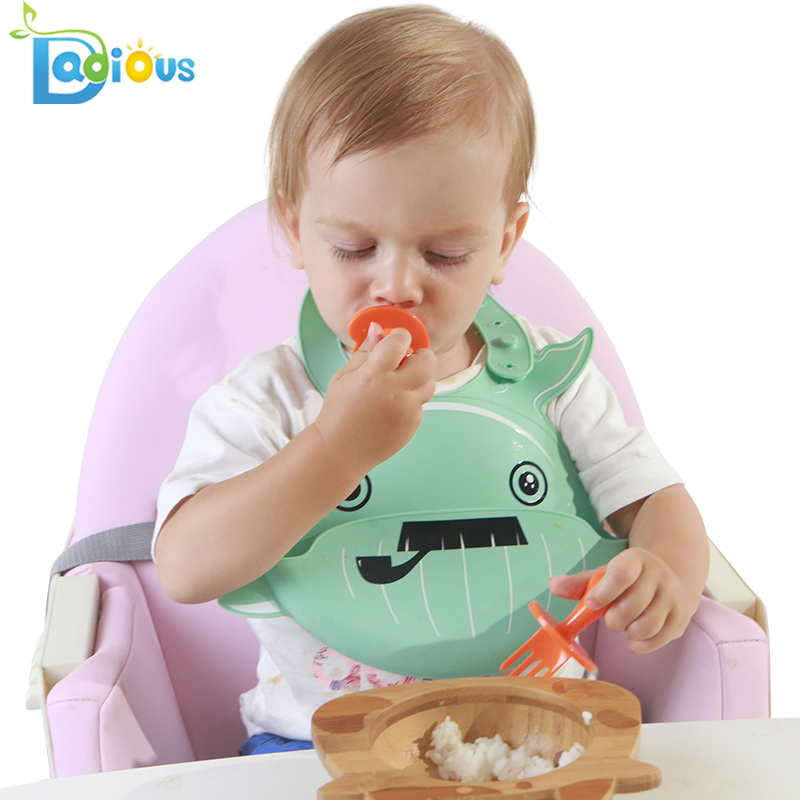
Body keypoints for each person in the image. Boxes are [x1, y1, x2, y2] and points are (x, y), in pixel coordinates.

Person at [153, 5, 709, 753]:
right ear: (294, 228)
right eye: (354, 248)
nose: (397, 286)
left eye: (445, 254)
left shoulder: (551, 381)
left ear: (504, 242)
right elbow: (186, 568)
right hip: (320, 746)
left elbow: (658, 501)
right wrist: (334, 449)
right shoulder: (270, 399)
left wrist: (664, 569)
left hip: (535, 729)